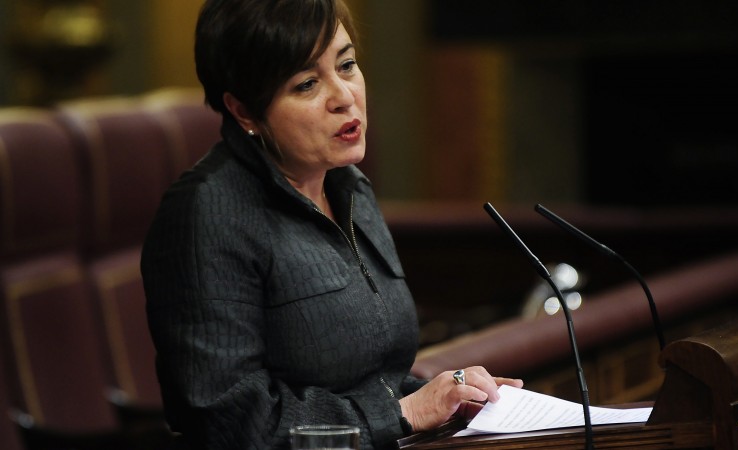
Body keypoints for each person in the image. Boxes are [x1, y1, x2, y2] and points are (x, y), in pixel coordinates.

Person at [141, 0, 523, 449]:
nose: (344, 96)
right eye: (306, 84)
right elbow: (230, 419)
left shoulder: (347, 185)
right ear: (244, 111)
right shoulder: (207, 213)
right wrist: (405, 413)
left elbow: (374, 380)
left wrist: (452, 395)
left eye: (346, 65)